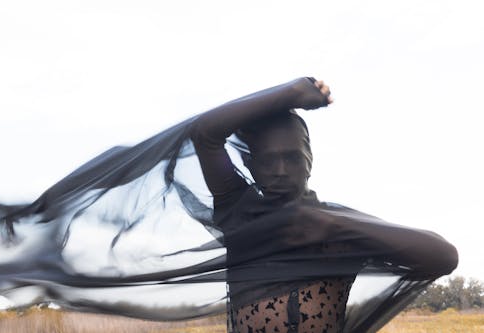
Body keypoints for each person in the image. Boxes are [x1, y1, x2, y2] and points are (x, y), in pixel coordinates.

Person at [191, 77, 458, 333]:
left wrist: (330, 225)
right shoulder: (238, 212)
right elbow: (205, 134)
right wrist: (292, 93)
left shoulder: (339, 225)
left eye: (292, 158)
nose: (281, 170)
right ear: (251, 165)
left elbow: (443, 257)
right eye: (267, 160)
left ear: (310, 160)